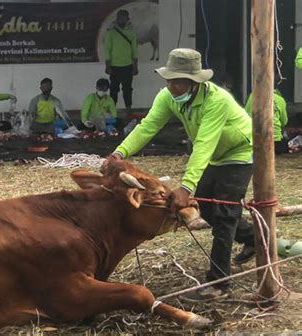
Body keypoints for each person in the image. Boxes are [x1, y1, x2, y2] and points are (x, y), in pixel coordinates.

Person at [103, 48, 255, 301]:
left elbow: (204, 143)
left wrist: (186, 186)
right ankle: (255, 238)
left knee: (226, 214)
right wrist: (119, 152)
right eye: (169, 79)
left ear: (195, 82)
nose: (172, 85)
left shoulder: (217, 100)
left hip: (238, 153)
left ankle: (219, 283)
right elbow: (148, 127)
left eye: (178, 81)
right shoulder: (168, 97)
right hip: (214, 156)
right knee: (206, 209)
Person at [104, 9, 138, 120]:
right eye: (120, 17)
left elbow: (135, 50)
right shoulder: (111, 33)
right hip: (114, 67)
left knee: (127, 89)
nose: (122, 19)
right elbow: (107, 50)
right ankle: (112, 112)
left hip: (128, 66)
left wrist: (135, 66)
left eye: (124, 17)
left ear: (127, 19)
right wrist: (107, 66)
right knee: (114, 89)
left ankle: (129, 111)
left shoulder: (131, 33)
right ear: (117, 18)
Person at [245, 87, 288, 154]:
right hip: (276, 139)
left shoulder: (253, 96)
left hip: (257, 138)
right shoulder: (281, 100)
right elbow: (284, 122)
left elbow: (246, 116)